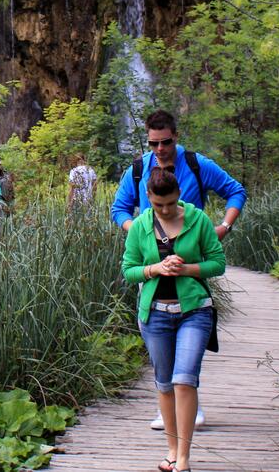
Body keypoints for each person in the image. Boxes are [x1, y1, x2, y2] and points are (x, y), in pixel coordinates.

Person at [112, 108, 246, 431]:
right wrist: (141, 233)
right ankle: (169, 409)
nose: (159, 149)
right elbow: (118, 209)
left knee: (189, 335)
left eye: (166, 142)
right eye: (153, 143)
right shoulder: (138, 170)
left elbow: (235, 190)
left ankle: (189, 404)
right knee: (162, 345)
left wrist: (223, 227)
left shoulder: (197, 165)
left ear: (176, 136)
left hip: (191, 263)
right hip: (152, 269)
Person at [121, 167, 226, 472]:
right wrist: (155, 268)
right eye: (158, 205)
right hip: (155, 315)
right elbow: (129, 270)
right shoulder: (140, 226)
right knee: (164, 384)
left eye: (170, 203)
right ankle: (171, 449)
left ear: (178, 195)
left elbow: (217, 263)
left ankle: (183, 459)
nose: (165, 210)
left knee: (184, 380)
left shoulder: (198, 220)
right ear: (149, 199)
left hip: (195, 311)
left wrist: (187, 269)